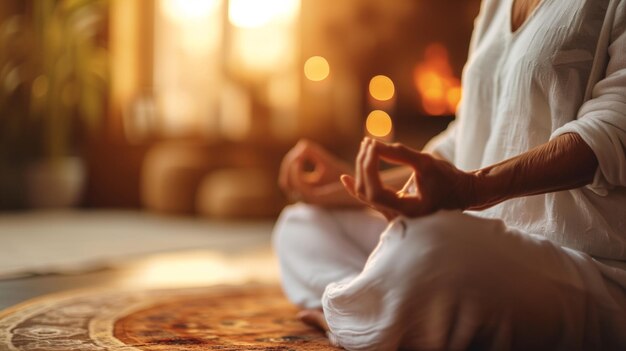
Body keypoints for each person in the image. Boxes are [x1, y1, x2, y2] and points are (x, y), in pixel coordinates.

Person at [273, 0, 626, 349]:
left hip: (584, 266)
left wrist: (473, 189)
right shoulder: (496, 4)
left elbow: (609, 135)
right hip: (472, 235)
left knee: (433, 250)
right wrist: (351, 185)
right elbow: (465, 135)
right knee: (302, 223)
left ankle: (354, 310)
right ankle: (370, 305)